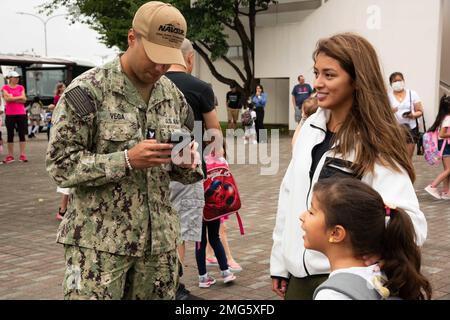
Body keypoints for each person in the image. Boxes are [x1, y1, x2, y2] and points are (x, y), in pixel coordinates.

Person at [46, 1, 203, 300]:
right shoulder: (87, 91)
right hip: (100, 248)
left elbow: (186, 167)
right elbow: (60, 165)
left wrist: (186, 162)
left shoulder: (173, 97)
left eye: (167, 61)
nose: (159, 68)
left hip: (159, 248)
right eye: (154, 57)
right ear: (132, 38)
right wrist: (127, 160)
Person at [270, 33, 427, 300]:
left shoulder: (376, 141)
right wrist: (280, 263)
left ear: (356, 80)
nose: (317, 83)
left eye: (329, 75)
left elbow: (410, 222)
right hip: (297, 279)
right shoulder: (309, 127)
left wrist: (369, 261)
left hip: (343, 282)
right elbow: (289, 196)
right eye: (316, 73)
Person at [300, 178, 432, 300]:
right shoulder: (386, 276)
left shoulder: (332, 295)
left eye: (311, 212)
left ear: (336, 233)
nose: (302, 216)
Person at [165, 38, 223, 300]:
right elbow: (214, 132)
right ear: (190, 59)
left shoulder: (153, 84)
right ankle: (172, 288)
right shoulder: (200, 87)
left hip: (151, 166)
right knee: (180, 232)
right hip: (187, 168)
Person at [388, 72, 424, 159]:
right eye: (395, 81)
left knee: (408, 157)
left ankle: (407, 172)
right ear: (391, 83)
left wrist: (413, 115)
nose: (397, 82)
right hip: (394, 129)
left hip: (411, 128)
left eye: (399, 80)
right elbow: (382, 113)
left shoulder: (412, 93)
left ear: (403, 81)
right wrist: (390, 111)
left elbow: (420, 111)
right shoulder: (387, 96)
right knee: (396, 156)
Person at [424, 94, 450, 200]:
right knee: (448, 170)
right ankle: (432, 186)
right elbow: (442, 134)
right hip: (446, 146)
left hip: (444, 145)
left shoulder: (443, 117)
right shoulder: (448, 118)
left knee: (447, 170)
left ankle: (446, 192)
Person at [1, 70, 28, 163]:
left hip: (21, 113)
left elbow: (24, 99)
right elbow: (7, 99)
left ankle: (23, 155)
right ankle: (10, 155)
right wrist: (18, 98)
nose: (17, 79)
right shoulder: (5, 87)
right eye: (15, 77)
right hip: (10, 114)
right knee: (10, 134)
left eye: (18, 77)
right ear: (10, 78)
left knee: (22, 134)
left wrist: (12, 97)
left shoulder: (21, 87)